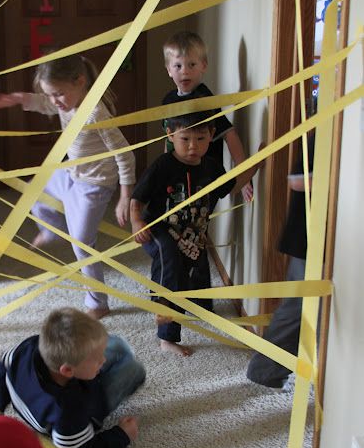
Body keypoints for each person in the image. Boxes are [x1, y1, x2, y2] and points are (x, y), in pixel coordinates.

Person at [0, 54, 136, 320]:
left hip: (95, 184)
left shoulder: (96, 113)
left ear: (80, 82)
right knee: (35, 189)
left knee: (82, 243)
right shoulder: (63, 101)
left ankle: (98, 302)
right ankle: (50, 230)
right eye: (50, 94)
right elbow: (44, 104)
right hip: (71, 174)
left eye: (58, 94)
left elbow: (125, 155)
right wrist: (20, 99)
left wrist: (126, 196)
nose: (55, 101)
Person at [130, 113, 251, 357]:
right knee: (170, 266)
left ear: (211, 136)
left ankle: (172, 300)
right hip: (159, 229)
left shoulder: (212, 167)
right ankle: (167, 335)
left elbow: (234, 186)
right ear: (171, 136)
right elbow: (137, 198)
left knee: (185, 273)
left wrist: (258, 162)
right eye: (185, 138)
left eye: (200, 138)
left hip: (192, 235)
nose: (193, 146)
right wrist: (136, 222)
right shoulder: (163, 165)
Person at [0, 307, 145, 448]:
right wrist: (122, 435)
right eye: (98, 360)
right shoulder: (68, 412)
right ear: (68, 371)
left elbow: (1, 371)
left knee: (116, 344)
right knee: (134, 370)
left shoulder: (29, 346)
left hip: (66, 384)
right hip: (91, 403)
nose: (103, 360)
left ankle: (95, 356)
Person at [247, 131, 316, 389]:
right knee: (296, 308)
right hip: (306, 237)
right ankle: (265, 371)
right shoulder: (323, 130)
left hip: (322, 237)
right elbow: (296, 180)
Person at [162, 30, 255, 202]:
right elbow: (169, 139)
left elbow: (229, 134)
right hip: (180, 175)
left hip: (205, 176)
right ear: (169, 69)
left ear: (203, 66)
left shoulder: (205, 100)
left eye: (192, 65)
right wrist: (165, 168)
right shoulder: (169, 101)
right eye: (178, 66)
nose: (185, 72)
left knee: (199, 219)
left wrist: (243, 176)